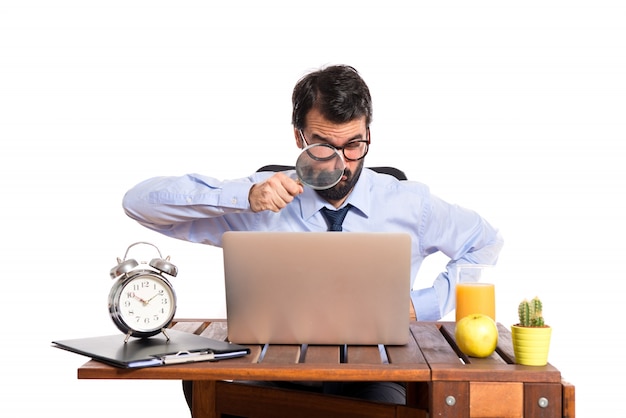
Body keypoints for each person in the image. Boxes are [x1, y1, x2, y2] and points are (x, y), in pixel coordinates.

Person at [122, 64, 504, 410]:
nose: (341, 165)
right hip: (271, 370)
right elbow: (139, 203)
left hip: (374, 376)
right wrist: (242, 197)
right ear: (299, 137)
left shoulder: (409, 204)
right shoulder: (260, 198)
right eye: (324, 146)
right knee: (207, 387)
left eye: (354, 145)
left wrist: (422, 306)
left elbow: (485, 241)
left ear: (368, 133)